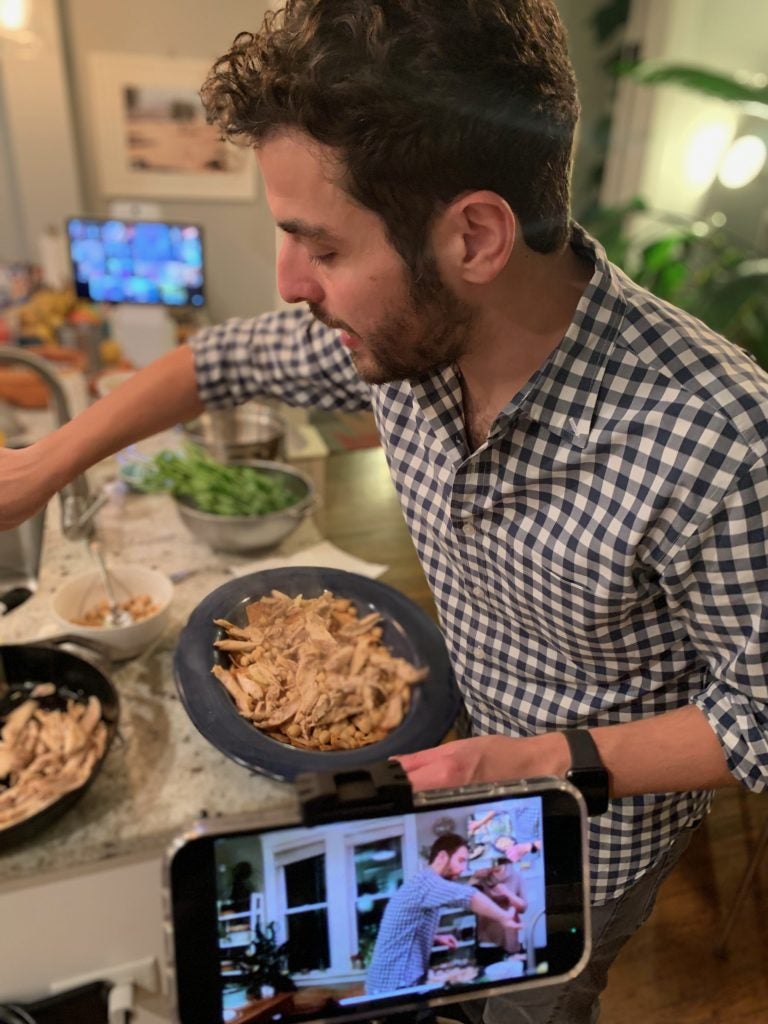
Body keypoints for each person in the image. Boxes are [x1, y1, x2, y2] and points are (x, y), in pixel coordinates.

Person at [1, 1, 767, 1020]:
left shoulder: (720, 438)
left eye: (318, 247)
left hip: (581, 835)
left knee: (525, 1007)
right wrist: (38, 466)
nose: (288, 283)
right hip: (441, 766)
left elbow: (758, 714)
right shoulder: (403, 339)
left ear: (476, 237)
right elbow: (218, 360)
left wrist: (535, 763)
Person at [366, 834, 521, 995]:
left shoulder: (422, 882)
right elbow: (468, 896)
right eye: (460, 861)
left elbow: (406, 928)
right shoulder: (427, 882)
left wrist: (436, 938)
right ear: (442, 857)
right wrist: (504, 917)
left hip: (390, 982)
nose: (463, 869)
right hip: (393, 986)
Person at [469, 858, 527, 956]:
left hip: (510, 937)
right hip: (487, 938)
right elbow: (466, 900)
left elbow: (523, 908)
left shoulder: (515, 876)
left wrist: (506, 893)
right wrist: (474, 877)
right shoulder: (481, 876)